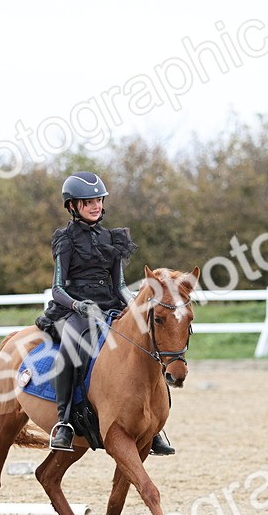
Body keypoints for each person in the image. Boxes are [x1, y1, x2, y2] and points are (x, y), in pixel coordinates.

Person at [39, 171, 175, 455]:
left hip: (111, 306)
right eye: (88, 202)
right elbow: (57, 288)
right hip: (76, 309)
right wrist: (78, 305)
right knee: (70, 350)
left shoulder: (112, 238)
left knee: (148, 343)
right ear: (72, 206)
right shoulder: (65, 240)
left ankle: (153, 426)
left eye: (99, 200)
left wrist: (136, 305)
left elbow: (120, 285)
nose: (96, 206)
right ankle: (64, 423)